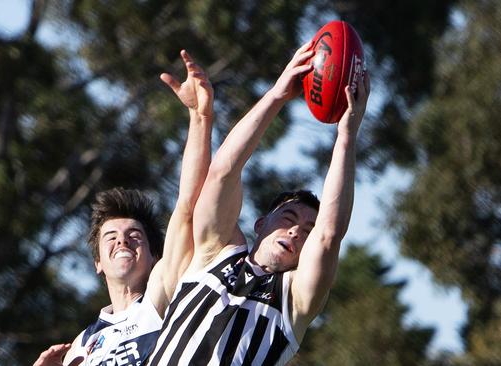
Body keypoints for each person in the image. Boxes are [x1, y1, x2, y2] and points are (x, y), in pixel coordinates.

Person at [147, 41, 370, 365]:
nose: (296, 231)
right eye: (288, 217)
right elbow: (223, 173)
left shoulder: (292, 301)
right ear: (260, 224)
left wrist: (347, 135)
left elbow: (329, 234)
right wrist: (278, 94)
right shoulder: (212, 255)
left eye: (306, 230)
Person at [33, 49, 220, 366]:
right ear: (98, 264)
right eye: (111, 237)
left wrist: (200, 118)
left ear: (154, 257)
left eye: (135, 235)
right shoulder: (81, 346)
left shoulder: (159, 298)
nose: (122, 241)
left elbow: (188, 209)